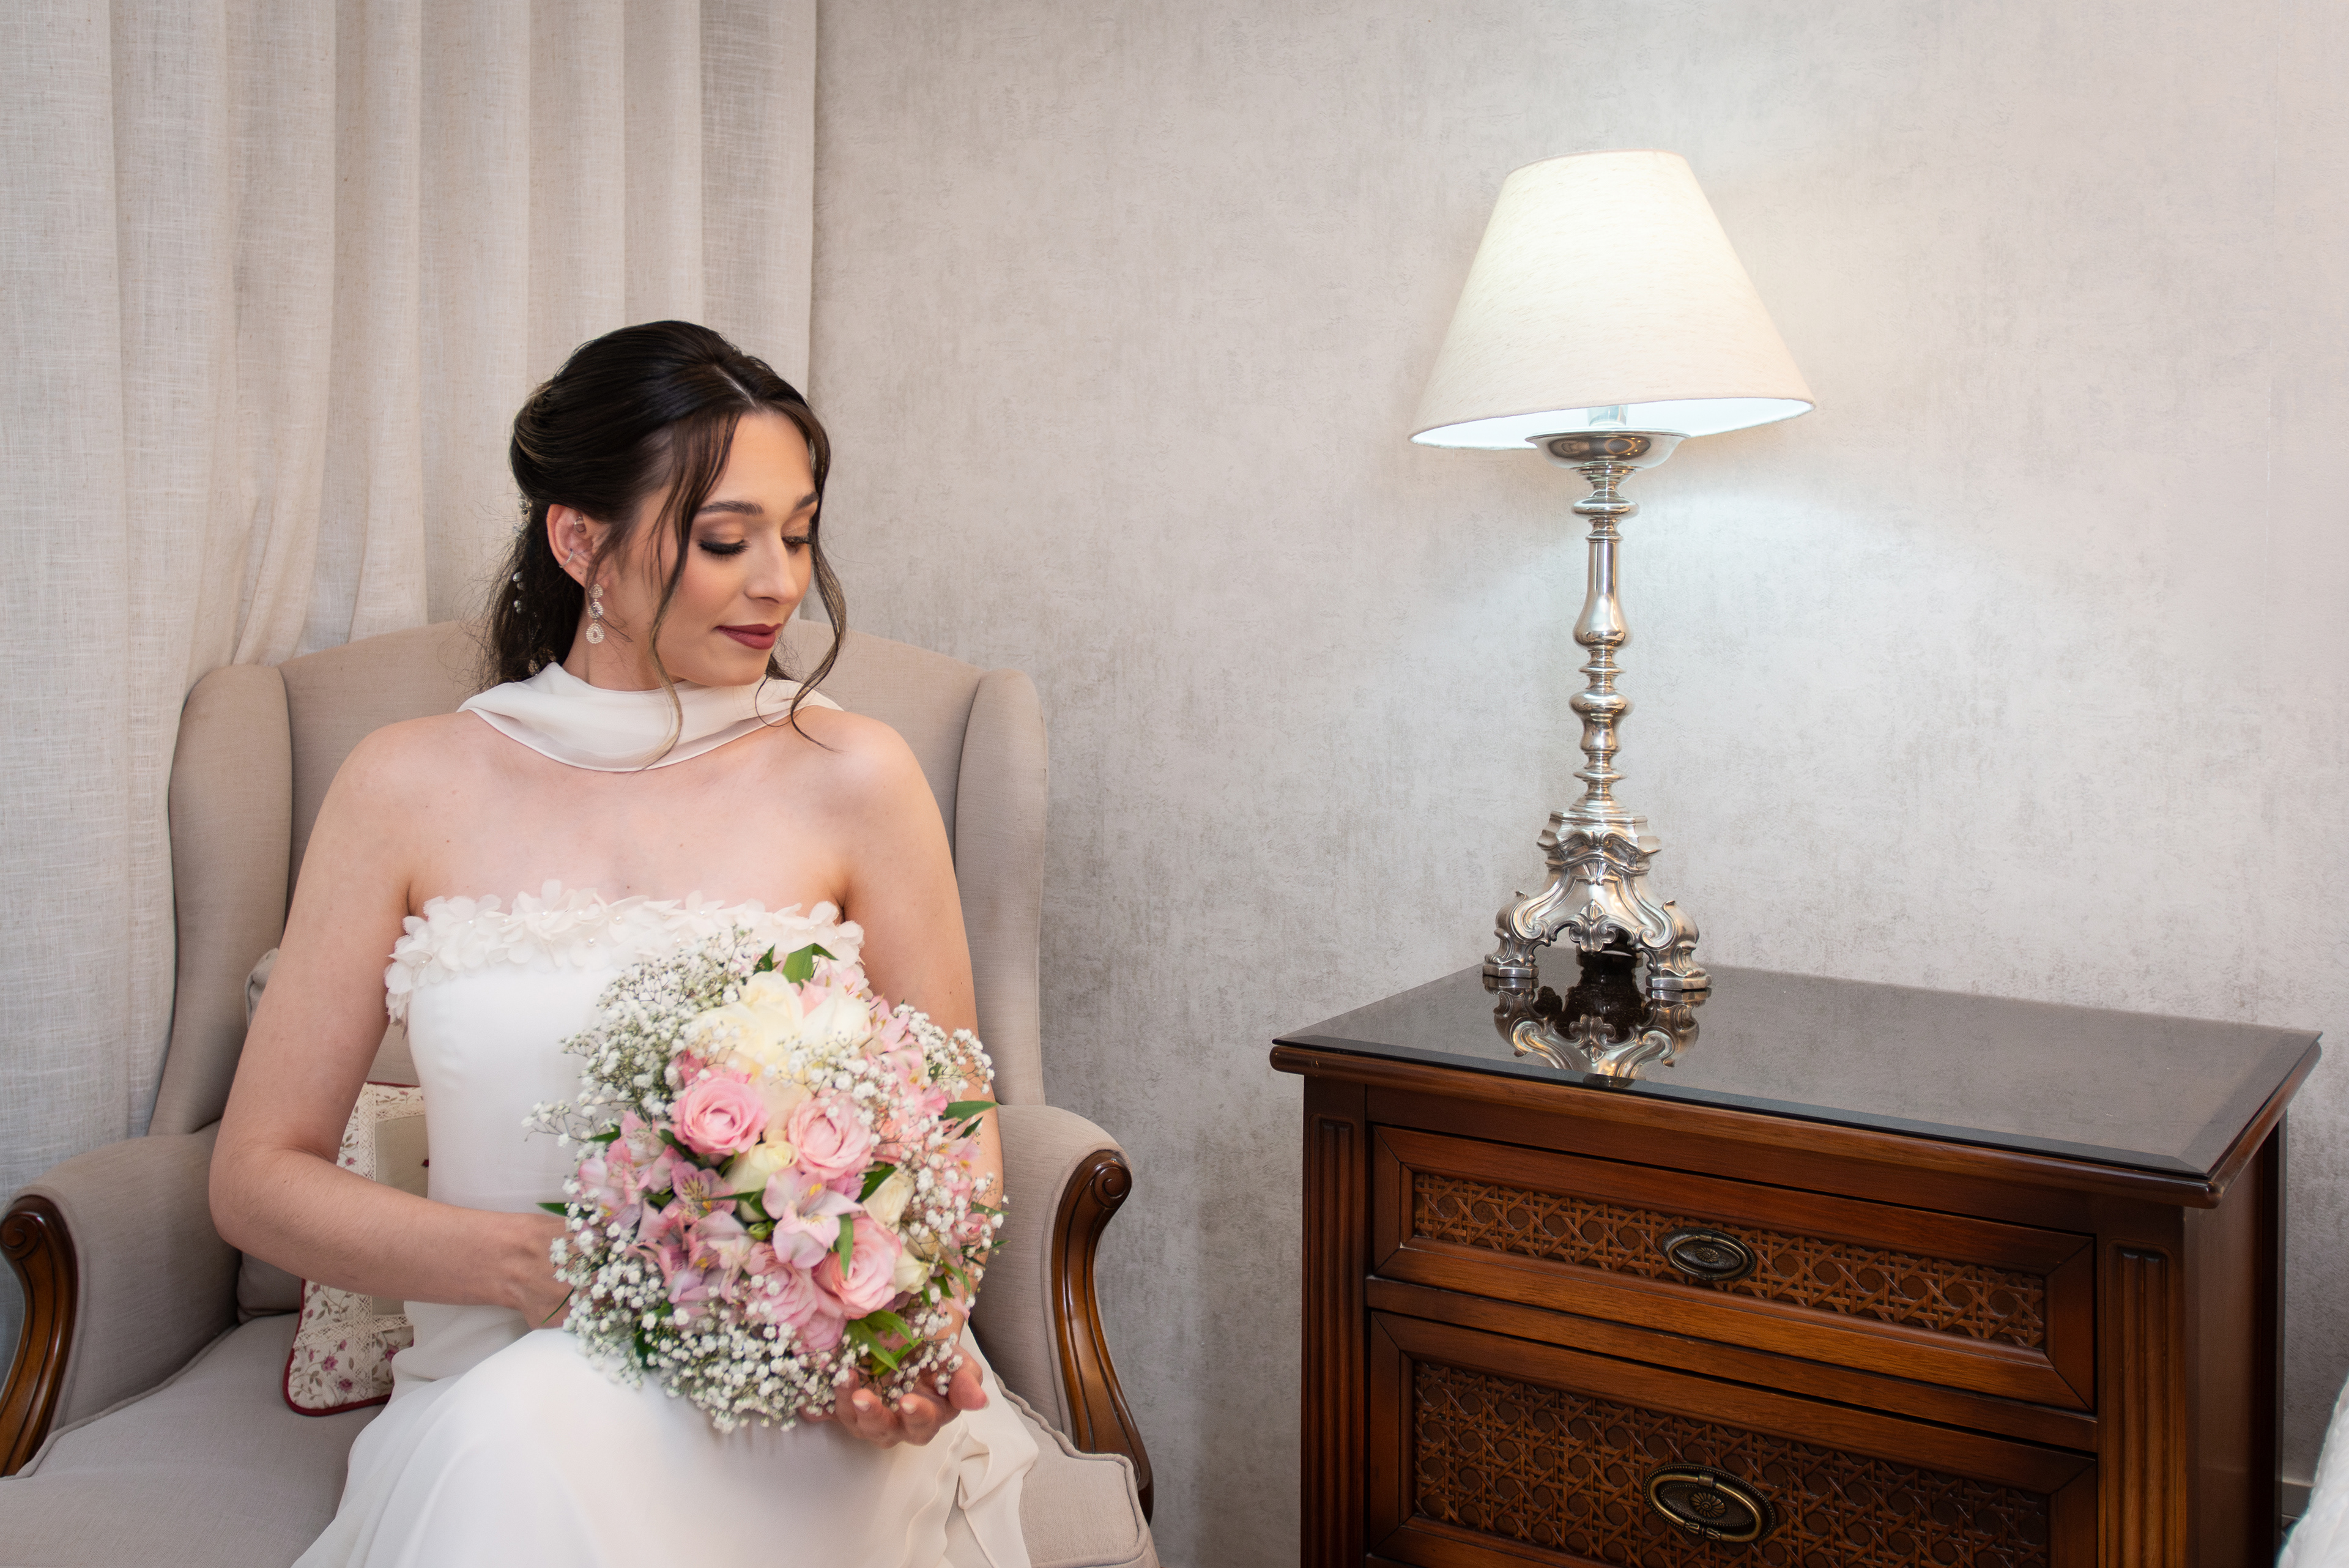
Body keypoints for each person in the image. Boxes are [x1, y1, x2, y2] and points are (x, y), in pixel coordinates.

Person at [210, 321, 1036, 1567]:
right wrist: (524, 1264)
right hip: (502, 1390)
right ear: (578, 540)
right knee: (515, 1445)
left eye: (799, 534)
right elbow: (255, 1177)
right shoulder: (402, 786)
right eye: (726, 541)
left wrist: (897, 1335)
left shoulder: (857, 774)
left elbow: (959, 1127)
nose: (781, 583)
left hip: (795, 1392)